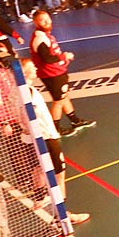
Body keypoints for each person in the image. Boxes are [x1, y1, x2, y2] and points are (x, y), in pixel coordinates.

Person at [15, 58, 89, 226]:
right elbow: (26, 118)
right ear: (24, 72)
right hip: (45, 138)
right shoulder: (28, 93)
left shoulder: (19, 91)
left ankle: (41, 198)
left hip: (32, 139)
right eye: (31, 67)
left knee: (38, 171)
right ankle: (62, 215)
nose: (35, 68)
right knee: (59, 174)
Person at [27, 9, 94, 136]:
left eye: (47, 18)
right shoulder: (40, 38)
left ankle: (74, 120)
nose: (46, 21)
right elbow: (46, 58)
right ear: (36, 23)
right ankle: (54, 129)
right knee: (58, 101)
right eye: (42, 20)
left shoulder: (45, 35)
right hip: (52, 74)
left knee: (64, 96)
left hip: (56, 72)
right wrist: (64, 56)